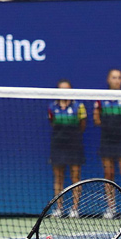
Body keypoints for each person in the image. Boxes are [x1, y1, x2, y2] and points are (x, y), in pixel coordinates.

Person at [93, 68, 121, 213]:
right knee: (108, 175)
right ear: (108, 80)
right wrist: (108, 125)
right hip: (107, 141)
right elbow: (96, 119)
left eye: (119, 78)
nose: (116, 80)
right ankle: (111, 209)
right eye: (114, 77)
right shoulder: (101, 98)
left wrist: (120, 124)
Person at [48, 80, 87, 216]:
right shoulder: (52, 107)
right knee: (58, 177)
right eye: (61, 89)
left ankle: (75, 209)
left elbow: (82, 125)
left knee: (75, 176)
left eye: (67, 89)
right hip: (58, 145)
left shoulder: (78, 106)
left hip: (74, 145)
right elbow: (52, 123)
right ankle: (59, 209)